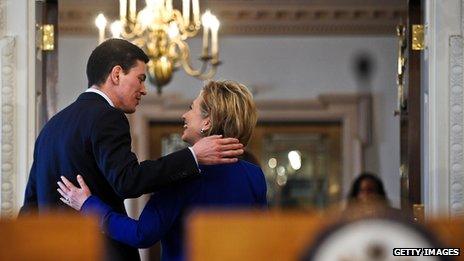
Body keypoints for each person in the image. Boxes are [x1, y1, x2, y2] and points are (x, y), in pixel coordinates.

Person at [19, 39, 243, 260]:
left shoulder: (50, 127)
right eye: (141, 79)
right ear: (117, 74)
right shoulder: (108, 116)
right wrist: (192, 156)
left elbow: (30, 206)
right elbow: (128, 181)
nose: (144, 90)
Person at [58, 80, 268, 261]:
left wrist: (88, 204)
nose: (185, 115)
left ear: (207, 121)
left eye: (191, 108)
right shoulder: (254, 176)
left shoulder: (183, 175)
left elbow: (142, 235)